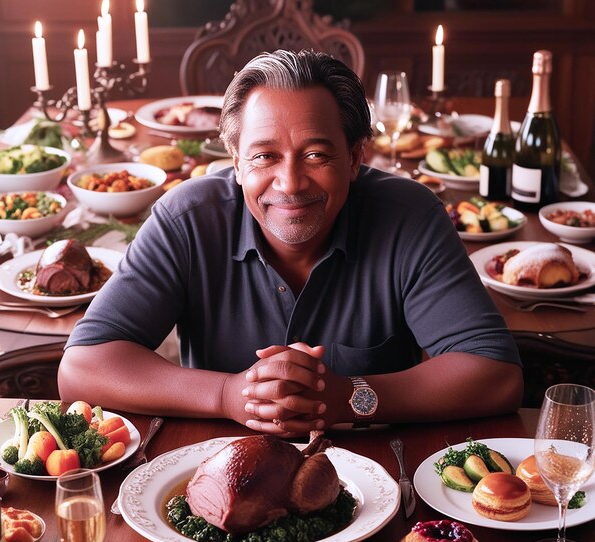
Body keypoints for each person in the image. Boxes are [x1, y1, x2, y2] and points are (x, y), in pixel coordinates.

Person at [58, 49, 523, 435]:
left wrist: (349, 396)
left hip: (379, 475)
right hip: (208, 474)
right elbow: (82, 368)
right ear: (236, 162)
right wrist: (226, 394)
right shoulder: (187, 220)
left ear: (356, 156)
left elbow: (497, 375)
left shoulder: (410, 216)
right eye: (264, 156)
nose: (291, 183)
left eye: (316, 154)